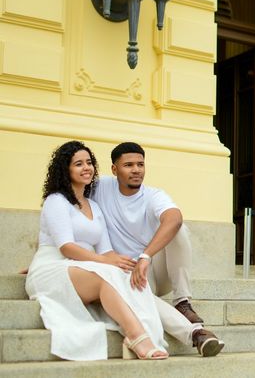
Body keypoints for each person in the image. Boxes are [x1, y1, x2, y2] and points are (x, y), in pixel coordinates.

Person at [25, 141, 168, 361]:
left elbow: (107, 251)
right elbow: (66, 247)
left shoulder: (95, 206)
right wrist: (106, 263)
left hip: (82, 267)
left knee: (125, 276)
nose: (86, 168)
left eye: (89, 162)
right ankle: (137, 338)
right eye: (78, 164)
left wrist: (132, 265)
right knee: (106, 275)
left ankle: (150, 333)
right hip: (52, 268)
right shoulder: (56, 201)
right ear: (66, 170)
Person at [92, 142, 224, 357]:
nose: (136, 170)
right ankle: (197, 335)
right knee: (130, 288)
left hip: (154, 269)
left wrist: (146, 256)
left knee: (179, 229)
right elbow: (68, 219)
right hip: (127, 273)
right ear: (114, 169)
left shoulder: (153, 195)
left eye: (140, 164)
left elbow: (174, 218)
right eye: (128, 165)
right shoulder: (99, 188)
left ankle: (182, 300)